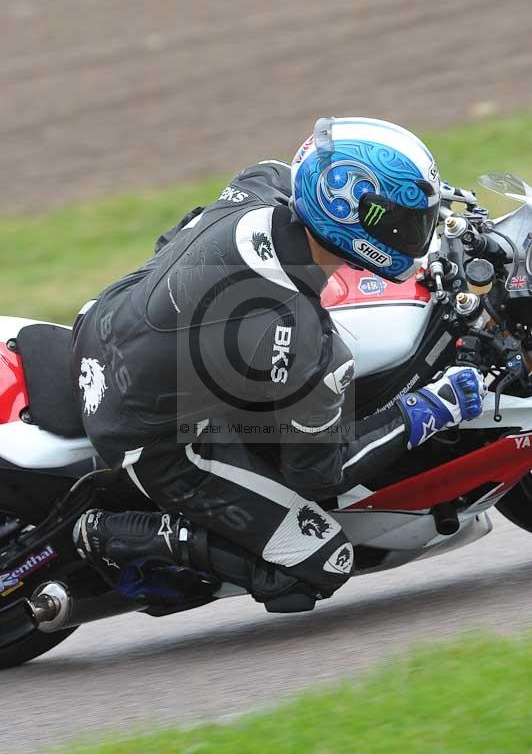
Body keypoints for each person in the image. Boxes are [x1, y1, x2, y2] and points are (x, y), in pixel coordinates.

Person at [71, 117, 487, 613]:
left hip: (102, 318)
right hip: (146, 434)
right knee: (322, 560)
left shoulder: (263, 181)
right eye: (400, 221)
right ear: (349, 220)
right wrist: (430, 409)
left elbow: (174, 238)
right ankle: (112, 534)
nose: (412, 232)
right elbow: (321, 475)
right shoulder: (306, 342)